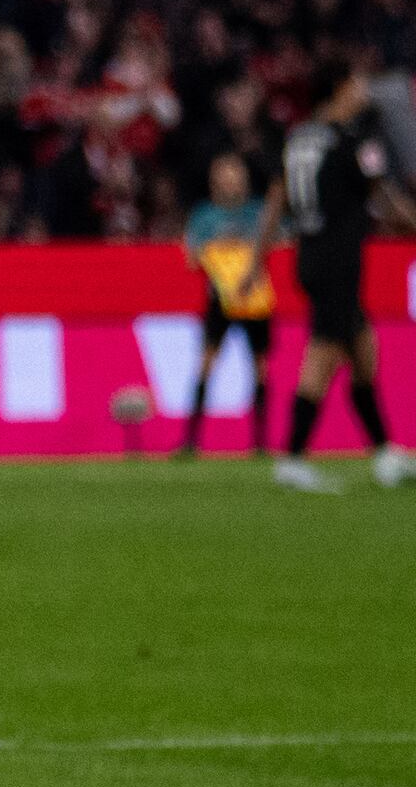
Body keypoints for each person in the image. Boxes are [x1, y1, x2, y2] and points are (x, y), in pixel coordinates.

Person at [268, 67, 411, 492]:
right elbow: (383, 196)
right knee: (323, 355)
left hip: (309, 255)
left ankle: (385, 453)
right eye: (358, 82)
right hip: (338, 261)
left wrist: (261, 258)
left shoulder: (299, 138)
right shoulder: (354, 139)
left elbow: (278, 196)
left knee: (364, 350)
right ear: (340, 89)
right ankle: (292, 458)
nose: (365, 90)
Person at [176, 154, 277, 459]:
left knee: (260, 368)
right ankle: (191, 441)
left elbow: (281, 241)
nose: (230, 181)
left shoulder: (259, 212)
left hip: (255, 297)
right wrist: (216, 249)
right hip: (220, 298)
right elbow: (190, 255)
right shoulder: (205, 216)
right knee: (206, 364)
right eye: (224, 175)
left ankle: (260, 442)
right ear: (215, 181)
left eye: (235, 174)